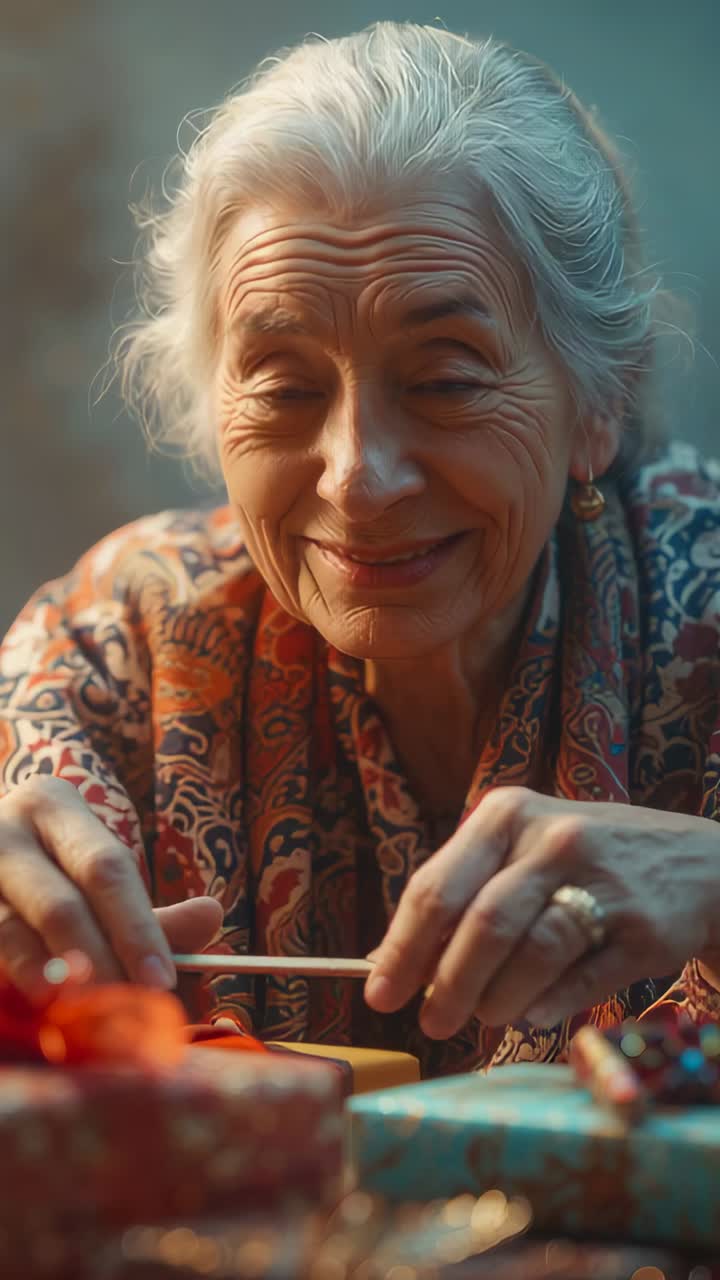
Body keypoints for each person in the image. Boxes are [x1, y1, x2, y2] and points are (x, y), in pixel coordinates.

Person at [1, 21, 719, 1076]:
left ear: (599, 399)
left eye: (445, 380)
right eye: (286, 387)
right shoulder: (116, 647)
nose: (356, 478)